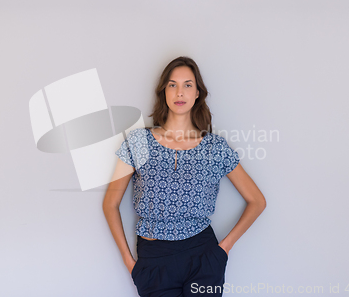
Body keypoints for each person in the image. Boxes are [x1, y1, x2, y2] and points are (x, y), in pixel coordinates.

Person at [103, 56, 266, 297]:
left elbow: (257, 201)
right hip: (153, 259)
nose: (180, 92)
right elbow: (110, 204)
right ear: (164, 92)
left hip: (203, 255)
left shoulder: (215, 148)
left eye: (188, 85)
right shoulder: (139, 142)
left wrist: (223, 250)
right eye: (172, 84)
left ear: (198, 93)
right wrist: (130, 263)